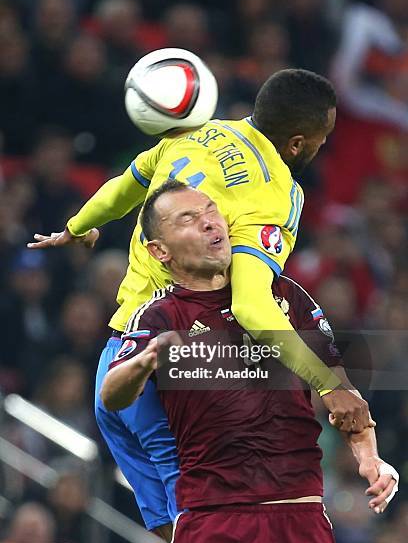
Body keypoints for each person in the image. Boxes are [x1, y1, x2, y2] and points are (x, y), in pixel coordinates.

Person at [28, 68, 371, 429]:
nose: (324, 146)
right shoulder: (277, 195)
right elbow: (251, 306)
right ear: (297, 144)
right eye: (324, 138)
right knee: (216, 485)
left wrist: (76, 227)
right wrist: (329, 385)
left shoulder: (200, 131)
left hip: (117, 362)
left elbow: (126, 185)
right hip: (175, 378)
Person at [100, 181, 398, 543]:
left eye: (211, 210)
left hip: (300, 518)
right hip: (214, 521)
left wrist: (369, 457)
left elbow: (342, 392)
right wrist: (145, 361)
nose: (209, 223)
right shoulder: (160, 315)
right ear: (160, 251)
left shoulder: (286, 296)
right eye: (188, 219)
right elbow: (112, 395)